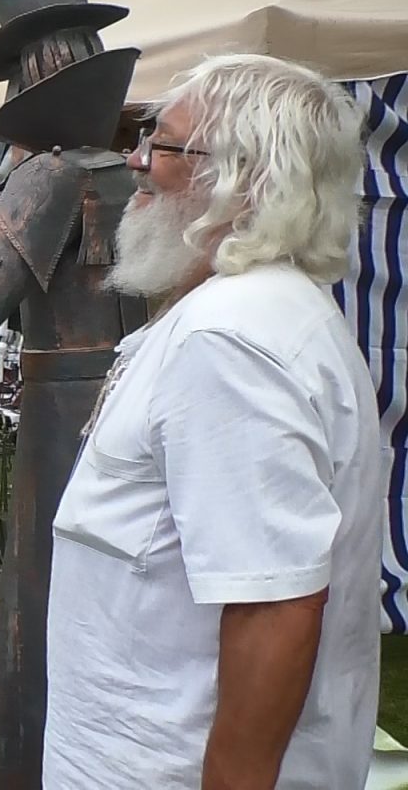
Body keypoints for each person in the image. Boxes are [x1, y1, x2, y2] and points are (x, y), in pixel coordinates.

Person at [44, 55, 383, 788]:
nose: (134, 162)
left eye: (161, 146)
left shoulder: (231, 338)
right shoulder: (239, 313)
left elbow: (276, 603)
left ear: (251, 176)